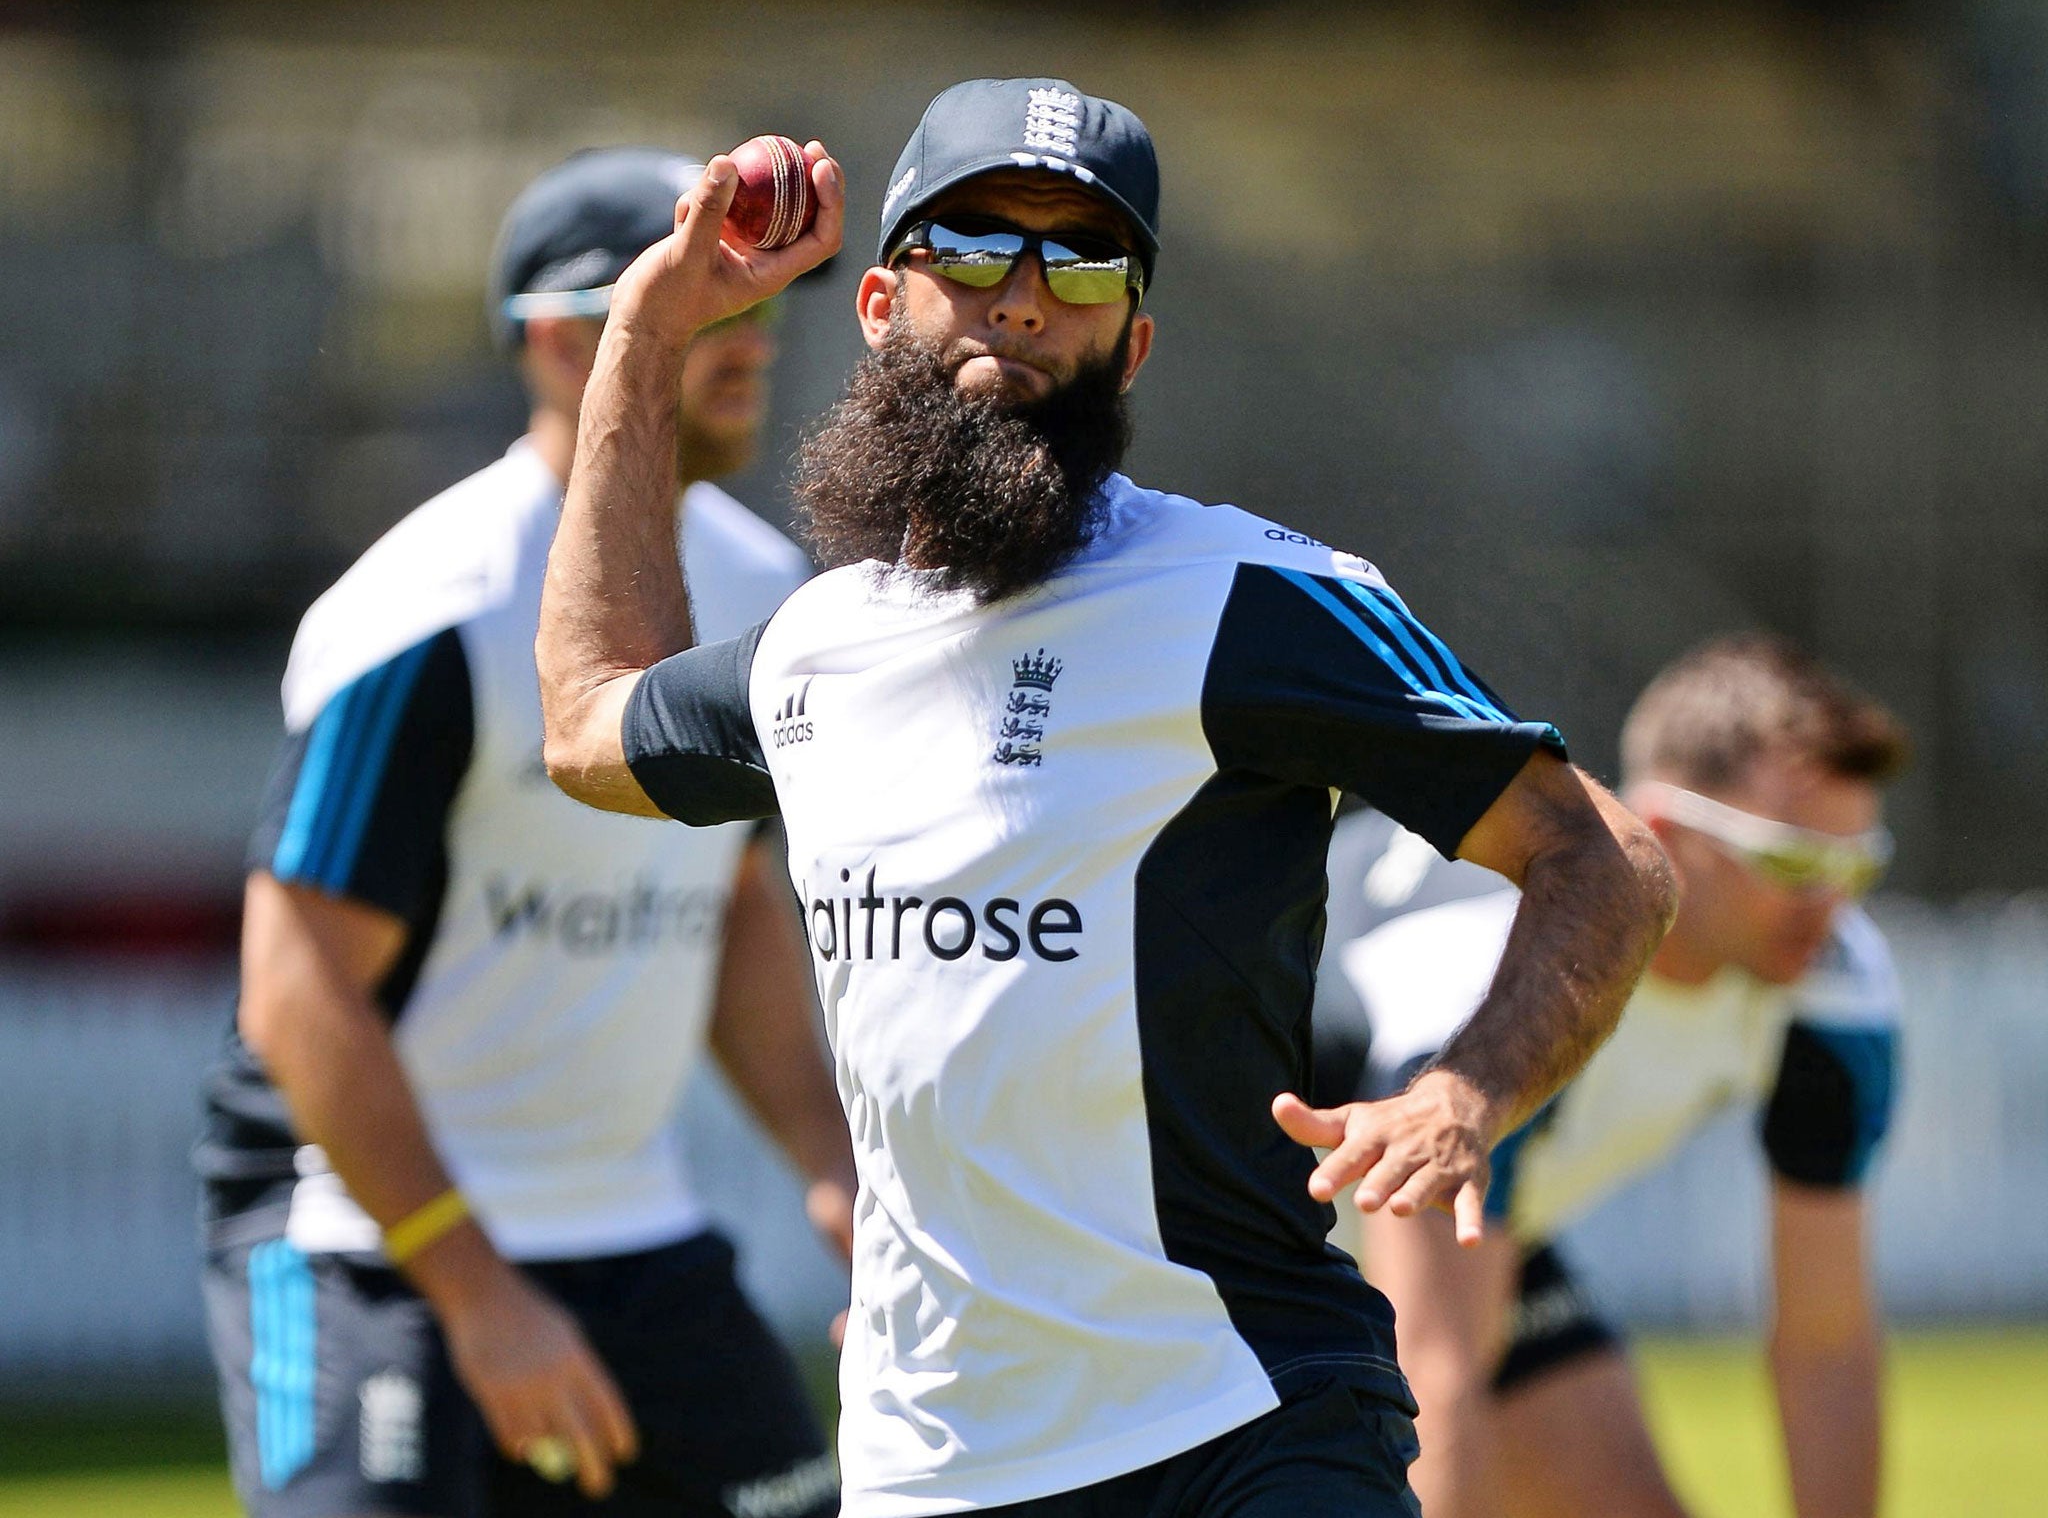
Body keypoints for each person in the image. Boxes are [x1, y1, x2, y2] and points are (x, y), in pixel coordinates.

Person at [533, 79, 1678, 1518]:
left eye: (1077, 264)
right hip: (932, 1457)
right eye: (975, 250)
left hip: (1246, 1420)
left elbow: (1606, 860)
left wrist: (1465, 1091)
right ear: (881, 300)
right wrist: (644, 338)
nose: (1021, 298)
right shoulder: (816, 646)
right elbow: (586, 724)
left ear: (1129, 345)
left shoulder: (1257, 602)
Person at [195, 146, 854, 1518]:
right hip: (365, 1239)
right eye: (705, 300)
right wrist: (478, 1296)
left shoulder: (765, 588)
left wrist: (836, 1175)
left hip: (633, 1232)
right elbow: (293, 983)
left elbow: (727, 896)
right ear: (564, 339)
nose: (756, 340)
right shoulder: (434, 610)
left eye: (765, 301)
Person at [1330, 634, 1908, 1518]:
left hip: (1436, 1236)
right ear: (1666, 835)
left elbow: (1826, 1343)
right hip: (1207, 1212)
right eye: (1793, 864)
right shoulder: (1486, 977)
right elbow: (1433, 1379)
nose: (1830, 905)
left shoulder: (1835, 986)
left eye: (1856, 865)